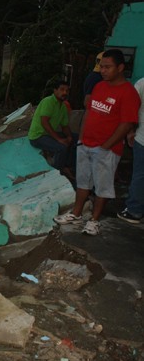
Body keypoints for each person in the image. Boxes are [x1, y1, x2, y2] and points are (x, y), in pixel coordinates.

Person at [54, 48, 141, 235]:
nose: (103, 70)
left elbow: (127, 124)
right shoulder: (99, 86)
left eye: (107, 67)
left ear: (120, 67)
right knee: (83, 182)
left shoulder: (128, 93)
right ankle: (76, 215)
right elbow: (90, 113)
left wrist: (106, 146)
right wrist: (82, 139)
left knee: (103, 186)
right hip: (86, 144)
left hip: (107, 149)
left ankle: (94, 220)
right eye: (101, 67)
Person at [28, 80, 76, 177]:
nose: (65, 93)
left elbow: (64, 126)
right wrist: (59, 139)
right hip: (38, 136)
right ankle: (56, 173)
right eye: (62, 89)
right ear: (55, 90)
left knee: (76, 139)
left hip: (48, 134)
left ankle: (68, 166)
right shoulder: (48, 101)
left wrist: (69, 136)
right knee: (61, 148)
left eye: (67, 90)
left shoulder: (62, 106)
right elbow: (44, 122)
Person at [117, 77, 144, 223]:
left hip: (143, 138)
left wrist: (130, 132)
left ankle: (134, 210)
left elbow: (131, 110)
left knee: (140, 175)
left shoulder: (141, 84)